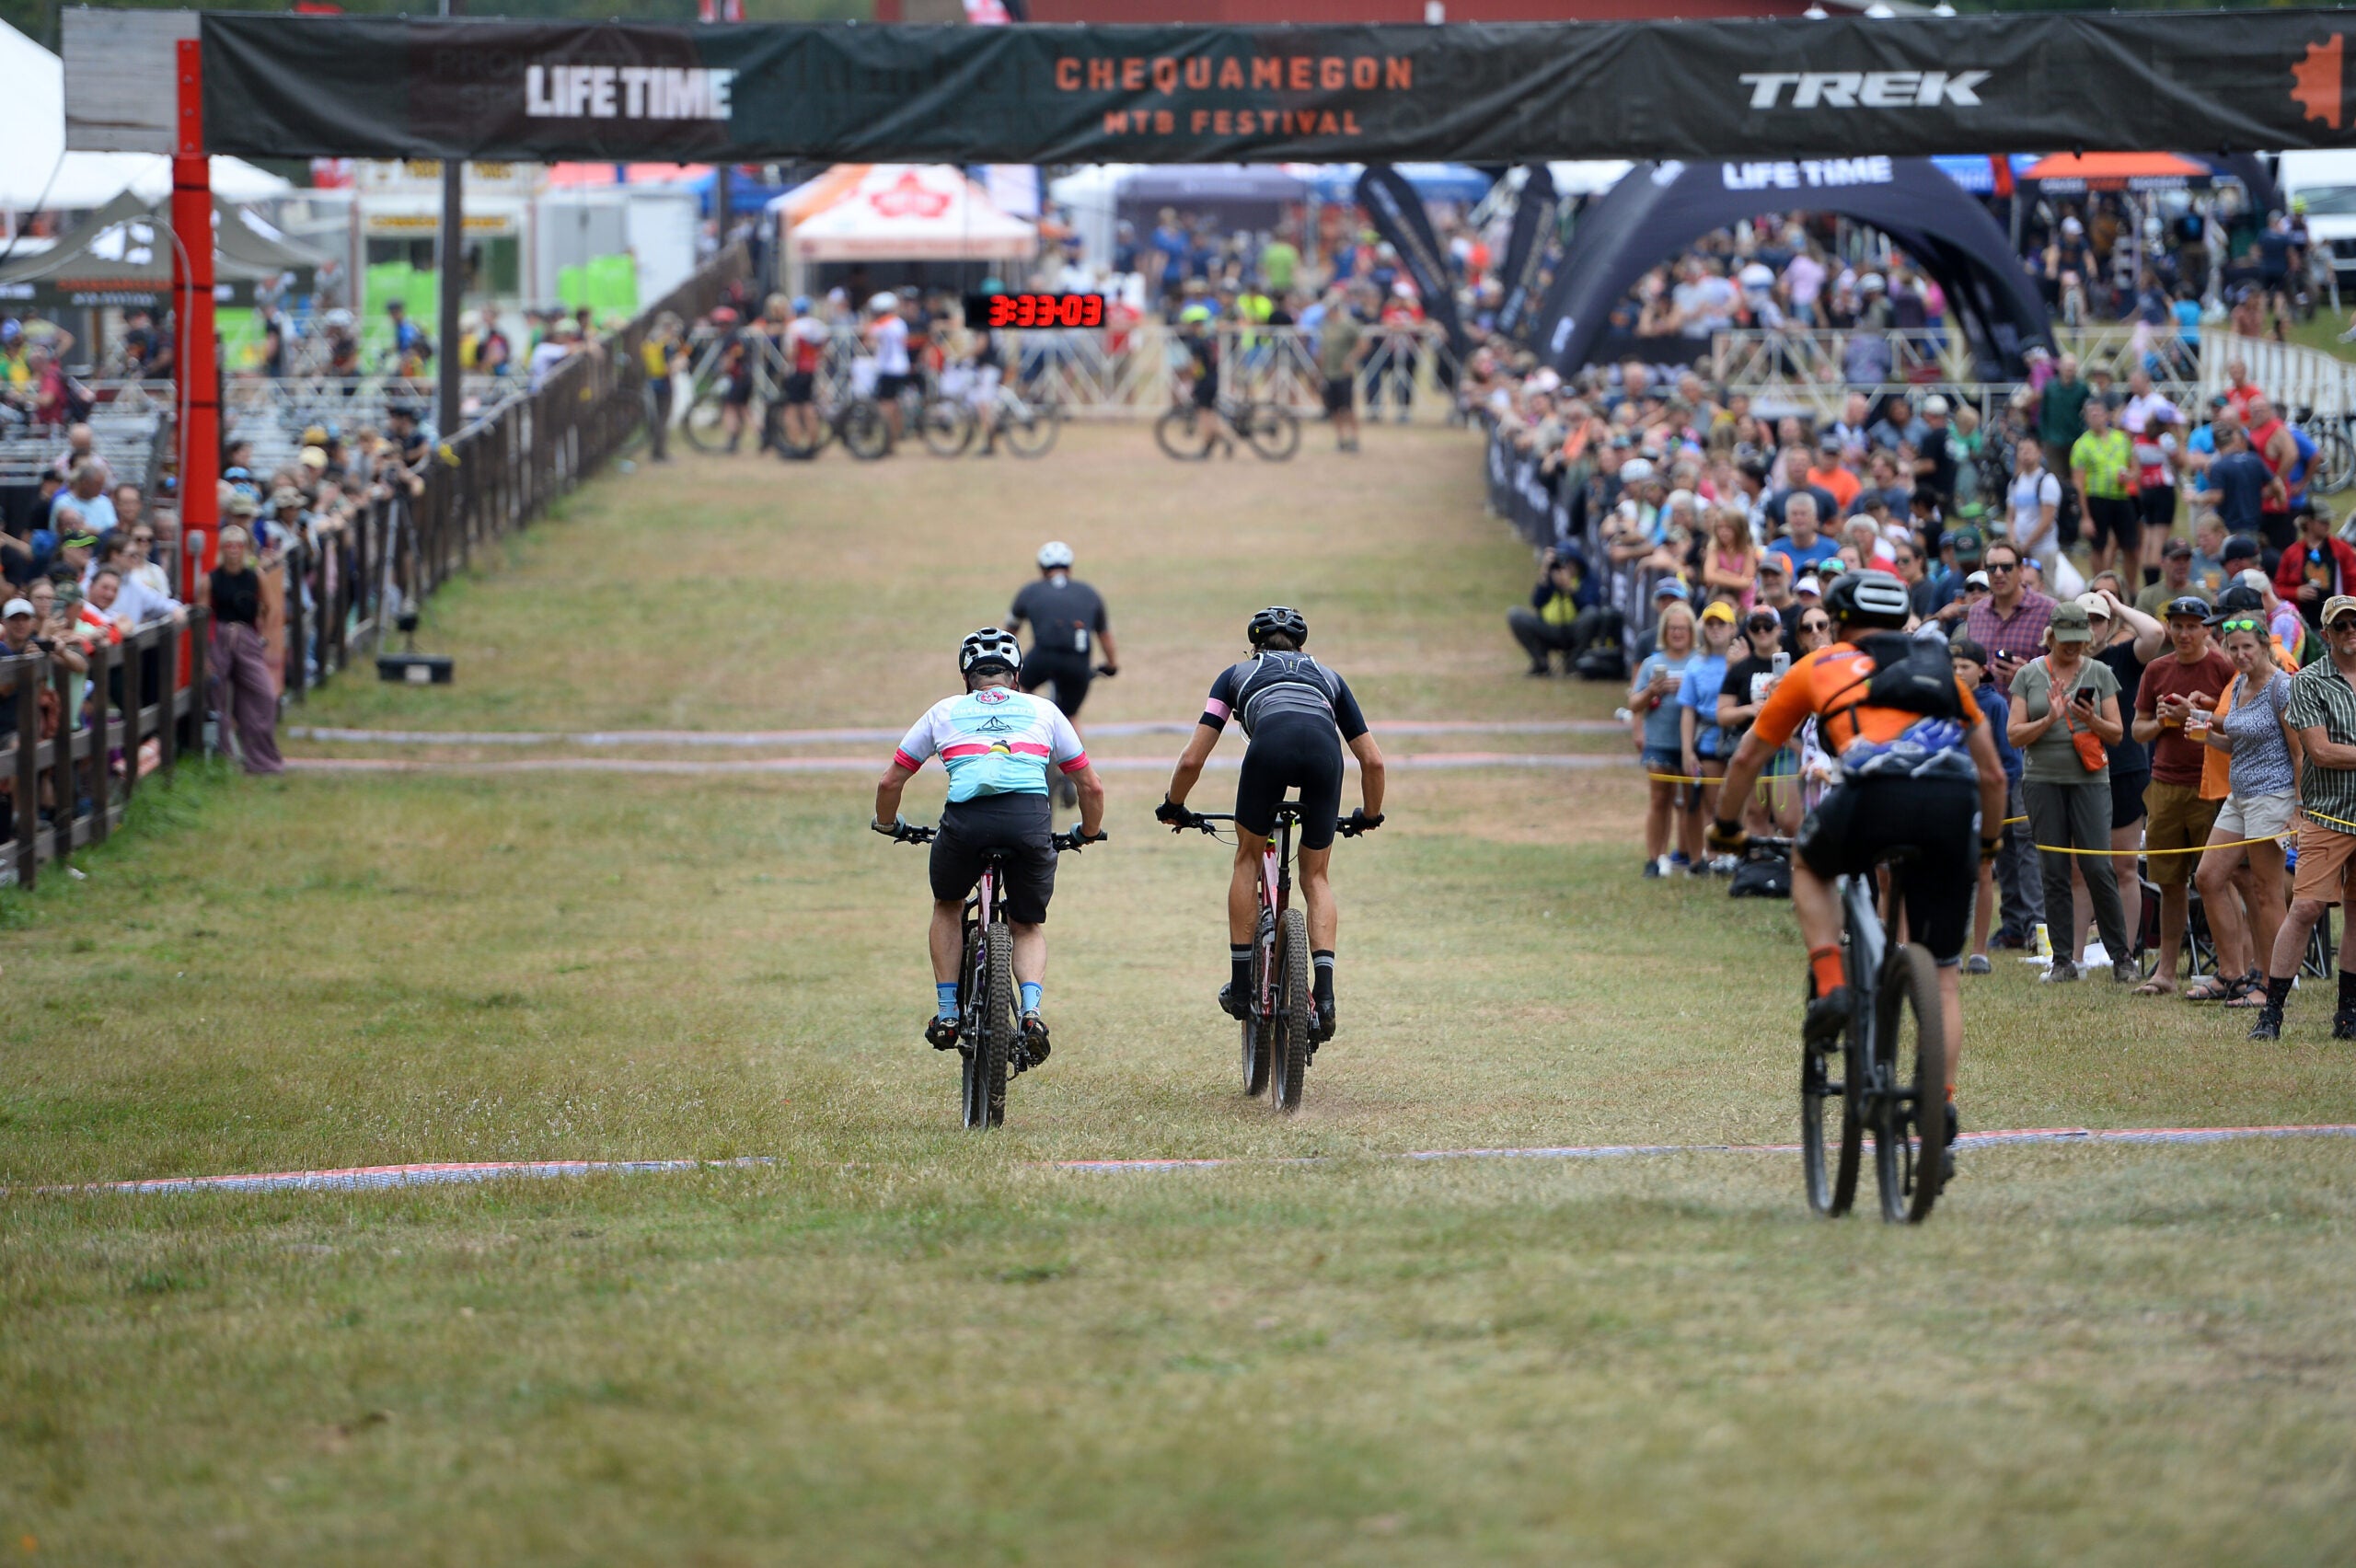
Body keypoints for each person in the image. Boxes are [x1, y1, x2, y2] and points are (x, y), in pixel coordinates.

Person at [1709, 571, 2004, 1176]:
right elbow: (1995, 777)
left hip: (1872, 796)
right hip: (1951, 805)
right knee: (1944, 979)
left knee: (1808, 865)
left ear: (1839, 620)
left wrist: (1726, 829)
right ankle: (1940, 1110)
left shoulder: (1820, 666)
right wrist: (1989, 844)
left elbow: (1747, 757)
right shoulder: (1942, 671)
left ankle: (1833, 979)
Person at [1156, 607, 1387, 1042]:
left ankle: (1242, 988)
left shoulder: (1237, 674)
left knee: (1247, 857)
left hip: (1269, 748)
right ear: (1301, 647)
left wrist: (1174, 804)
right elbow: (1372, 759)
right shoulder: (1330, 678)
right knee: (1316, 877)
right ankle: (1328, 997)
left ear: (1254, 646)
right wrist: (1370, 814)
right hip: (1324, 754)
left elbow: (1192, 757)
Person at [872, 628, 1105, 1055]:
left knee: (948, 904)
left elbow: (891, 781)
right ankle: (1031, 1013)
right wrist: (1088, 832)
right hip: (1030, 822)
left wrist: (889, 825)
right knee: (1026, 925)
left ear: (966, 678)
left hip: (966, 823)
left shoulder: (943, 711)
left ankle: (947, 1012)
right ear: (1016, 677)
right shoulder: (1044, 710)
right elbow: (1090, 788)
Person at [2247, 595, 2356, 1040]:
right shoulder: (2308, 681)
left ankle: (2347, 1015)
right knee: (2306, 907)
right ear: (2325, 635)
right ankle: (2271, 1013)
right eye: (2342, 625)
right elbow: (2320, 751)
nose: (2351, 630)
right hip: (2328, 814)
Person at [2009, 600, 2134, 985]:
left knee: (2099, 866)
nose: (2073, 647)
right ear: (2051, 636)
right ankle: (2063, 960)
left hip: (2090, 780)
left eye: (2080, 640)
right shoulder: (2029, 675)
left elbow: (2116, 733)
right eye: (2066, 640)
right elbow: (2014, 735)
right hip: (2042, 780)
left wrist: (2089, 718)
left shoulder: (2099, 672)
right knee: (2054, 870)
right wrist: (2048, 718)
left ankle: (2122, 958)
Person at [2189, 610, 2302, 1005]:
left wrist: (2298, 808)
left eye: (2247, 647)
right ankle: (2230, 973)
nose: (2239, 655)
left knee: (2267, 890)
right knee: (2209, 876)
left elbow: (2298, 751)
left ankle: (2273, 984)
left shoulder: (2282, 686)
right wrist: (2205, 735)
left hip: (2273, 796)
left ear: (2265, 645)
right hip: (2239, 795)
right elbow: (2238, 744)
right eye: (2233, 648)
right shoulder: (2238, 684)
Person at [2127, 597, 2236, 994]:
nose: (2185, 634)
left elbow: (2238, 726)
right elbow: (2137, 730)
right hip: (2165, 785)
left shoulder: (2224, 666)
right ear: (2168, 629)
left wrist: (2198, 717)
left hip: (2212, 784)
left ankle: (2232, 969)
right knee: (2169, 883)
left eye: (2193, 626)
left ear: (2207, 629)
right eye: (2178, 626)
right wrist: (2161, 721)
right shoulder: (2157, 669)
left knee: (2217, 880)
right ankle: (2166, 972)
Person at [1007, 542, 1119, 806]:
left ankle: (1022, 749)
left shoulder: (1030, 591)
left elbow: (1009, 634)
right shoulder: (1089, 593)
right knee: (1070, 714)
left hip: (1042, 657)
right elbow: (1105, 635)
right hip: (1077, 662)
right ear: (1069, 567)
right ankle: (1072, 776)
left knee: (1019, 692)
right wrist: (1111, 665)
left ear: (1041, 568)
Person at [1949, 638, 2021, 973]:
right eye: (1952, 667)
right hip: (1946, 799)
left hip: (1980, 799)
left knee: (1981, 872)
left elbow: (2009, 762)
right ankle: (1946, 947)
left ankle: (1979, 952)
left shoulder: (1994, 705)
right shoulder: (1941, 702)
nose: (1958, 673)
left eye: (1964, 666)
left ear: (1982, 670)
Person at [199, 525, 283, 778]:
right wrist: (203, 654)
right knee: (217, 696)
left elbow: (271, 607)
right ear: (222, 549)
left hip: (246, 634)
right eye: (229, 545)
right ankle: (225, 759)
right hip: (220, 635)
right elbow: (202, 616)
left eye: (239, 546)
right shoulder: (210, 579)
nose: (234, 551)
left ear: (245, 549)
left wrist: (264, 637)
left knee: (263, 695)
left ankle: (262, 759)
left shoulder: (255, 575)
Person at [1632, 599, 1701, 875]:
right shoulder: (1652, 664)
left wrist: (1687, 689)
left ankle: (1691, 857)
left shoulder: (1700, 662)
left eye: (1683, 628)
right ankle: (1654, 858)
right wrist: (1652, 691)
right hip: (1659, 740)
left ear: (1691, 631)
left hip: (1692, 743)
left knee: (1691, 800)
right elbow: (1635, 703)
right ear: (1664, 631)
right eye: (1672, 628)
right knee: (1660, 799)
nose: (1677, 633)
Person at [1679, 601, 1738, 866]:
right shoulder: (1696, 665)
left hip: (1738, 735)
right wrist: (1687, 750)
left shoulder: (1741, 659)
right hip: (1709, 738)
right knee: (1712, 801)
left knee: (1738, 797)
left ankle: (1735, 852)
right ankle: (1713, 854)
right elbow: (1688, 710)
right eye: (1711, 624)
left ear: (1732, 628)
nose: (1716, 630)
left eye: (1721, 624)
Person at [1964, 539, 2057, 698]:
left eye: (2006, 567)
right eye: (1992, 568)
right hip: (1984, 716)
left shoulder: (2049, 610)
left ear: (2020, 570)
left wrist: (2028, 676)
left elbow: (2067, 672)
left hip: (2031, 716)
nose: (1999, 573)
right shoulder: (1976, 613)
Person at [2072, 397, 2139, 582]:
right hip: (2096, 498)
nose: (2095, 417)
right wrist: (2085, 517)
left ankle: (2131, 588)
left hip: (2120, 497)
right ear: (2085, 418)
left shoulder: (2121, 439)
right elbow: (2078, 483)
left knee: (2130, 546)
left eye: (2098, 413)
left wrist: (2130, 476)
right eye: (2090, 414)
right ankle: (2101, 585)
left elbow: (2135, 467)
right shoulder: (2082, 445)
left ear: (2107, 415)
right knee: (2098, 546)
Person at [1508, 547, 1601, 676]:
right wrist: (1544, 575)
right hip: (1548, 629)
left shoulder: (1586, 580)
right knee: (1515, 614)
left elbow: (1590, 607)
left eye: (1567, 563)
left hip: (1574, 630)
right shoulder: (1549, 581)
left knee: (1591, 614)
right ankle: (1541, 662)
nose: (1563, 568)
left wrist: (1570, 589)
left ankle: (1574, 663)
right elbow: (1536, 603)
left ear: (1576, 563)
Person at [2274, 502, 2356, 641]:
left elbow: (2354, 581)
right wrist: (2296, 592)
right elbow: (2278, 589)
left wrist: (2348, 610)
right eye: (2323, 521)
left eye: (2328, 521)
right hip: (2304, 625)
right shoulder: (2292, 553)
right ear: (2308, 523)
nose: (2328, 525)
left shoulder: (2341, 549)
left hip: (2338, 624)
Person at [1316, 286, 1365, 453]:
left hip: (1344, 373)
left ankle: (1354, 439)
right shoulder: (1325, 326)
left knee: (1348, 409)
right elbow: (1322, 349)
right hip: (1329, 373)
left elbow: (1363, 343)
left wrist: (1351, 359)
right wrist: (1320, 370)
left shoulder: (1348, 324)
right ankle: (1341, 439)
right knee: (1334, 409)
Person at [639, 314, 684, 464]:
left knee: (657, 418)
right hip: (664, 384)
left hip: (652, 383)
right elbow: (669, 367)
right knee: (662, 419)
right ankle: (659, 453)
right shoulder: (666, 344)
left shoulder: (650, 340)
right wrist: (680, 363)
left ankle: (656, 452)